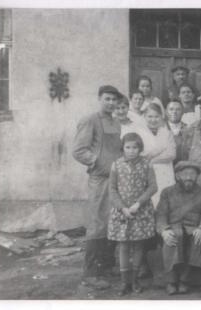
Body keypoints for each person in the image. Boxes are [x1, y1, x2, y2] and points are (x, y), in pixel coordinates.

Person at [72, 85, 123, 289]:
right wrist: (97, 162)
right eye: (107, 99)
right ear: (100, 98)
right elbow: (78, 150)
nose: (111, 103)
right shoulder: (90, 120)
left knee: (113, 223)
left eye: (114, 100)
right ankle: (90, 274)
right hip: (100, 179)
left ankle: (106, 266)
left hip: (116, 180)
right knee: (97, 225)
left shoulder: (116, 121)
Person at [107, 133, 158, 296]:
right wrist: (122, 208)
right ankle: (124, 282)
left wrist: (138, 204)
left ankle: (135, 280)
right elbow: (112, 189)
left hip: (140, 210)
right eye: (128, 147)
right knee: (123, 246)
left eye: (135, 147)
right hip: (122, 211)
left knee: (138, 245)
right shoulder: (116, 165)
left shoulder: (147, 164)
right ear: (123, 148)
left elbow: (152, 187)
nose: (131, 151)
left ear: (140, 148)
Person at [156, 161, 201, 295]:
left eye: (192, 174)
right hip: (173, 227)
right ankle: (171, 281)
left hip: (194, 227)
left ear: (197, 176)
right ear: (177, 176)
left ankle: (185, 280)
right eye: (185, 174)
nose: (189, 177)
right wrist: (164, 230)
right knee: (174, 236)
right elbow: (161, 214)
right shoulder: (167, 192)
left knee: (197, 237)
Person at [140, 103, 176, 208]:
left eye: (156, 116)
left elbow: (171, 154)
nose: (153, 120)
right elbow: (142, 155)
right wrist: (161, 149)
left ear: (161, 117)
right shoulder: (140, 133)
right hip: (148, 173)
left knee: (165, 202)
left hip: (166, 173)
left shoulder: (166, 133)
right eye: (150, 116)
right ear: (144, 117)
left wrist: (152, 160)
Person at [165, 100, 189, 164]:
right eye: (171, 109)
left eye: (178, 109)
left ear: (182, 112)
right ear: (166, 112)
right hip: (165, 167)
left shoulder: (189, 129)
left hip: (183, 167)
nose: (174, 112)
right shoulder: (160, 129)